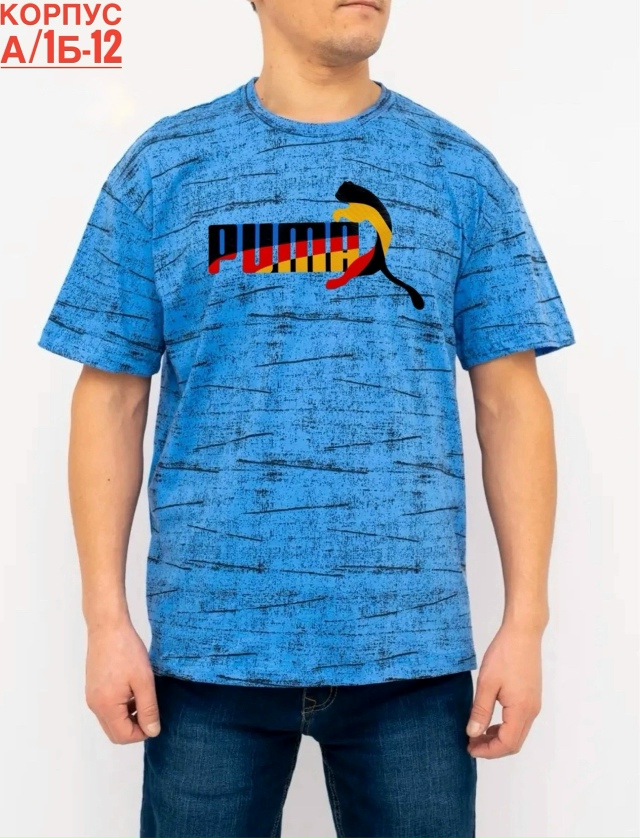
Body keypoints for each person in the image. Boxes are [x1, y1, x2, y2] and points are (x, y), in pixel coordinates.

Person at [37, 0, 576, 835]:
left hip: (411, 657)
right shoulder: (165, 167)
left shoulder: (459, 172)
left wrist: (526, 624)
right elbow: (111, 395)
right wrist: (104, 621)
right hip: (207, 658)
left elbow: (511, 402)